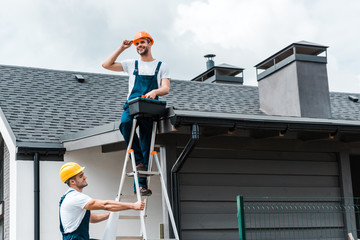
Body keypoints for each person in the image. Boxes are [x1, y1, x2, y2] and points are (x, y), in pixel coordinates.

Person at [102, 31, 170, 196]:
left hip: (149, 108)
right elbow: (106, 64)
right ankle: (138, 160)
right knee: (124, 124)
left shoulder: (161, 65)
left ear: (150, 43)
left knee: (147, 145)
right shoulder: (131, 64)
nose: (140, 46)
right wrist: (121, 48)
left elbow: (165, 88)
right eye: (137, 44)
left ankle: (141, 186)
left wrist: (155, 91)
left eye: (142, 43)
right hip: (132, 106)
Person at [59, 162, 145, 240]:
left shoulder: (69, 196)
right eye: (81, 176)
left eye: (83, 174)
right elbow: (105, 205)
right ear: (72, 181)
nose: (85, 177)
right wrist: (133, 205)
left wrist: (108, 216)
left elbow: (90, 218)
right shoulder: (75, 197)